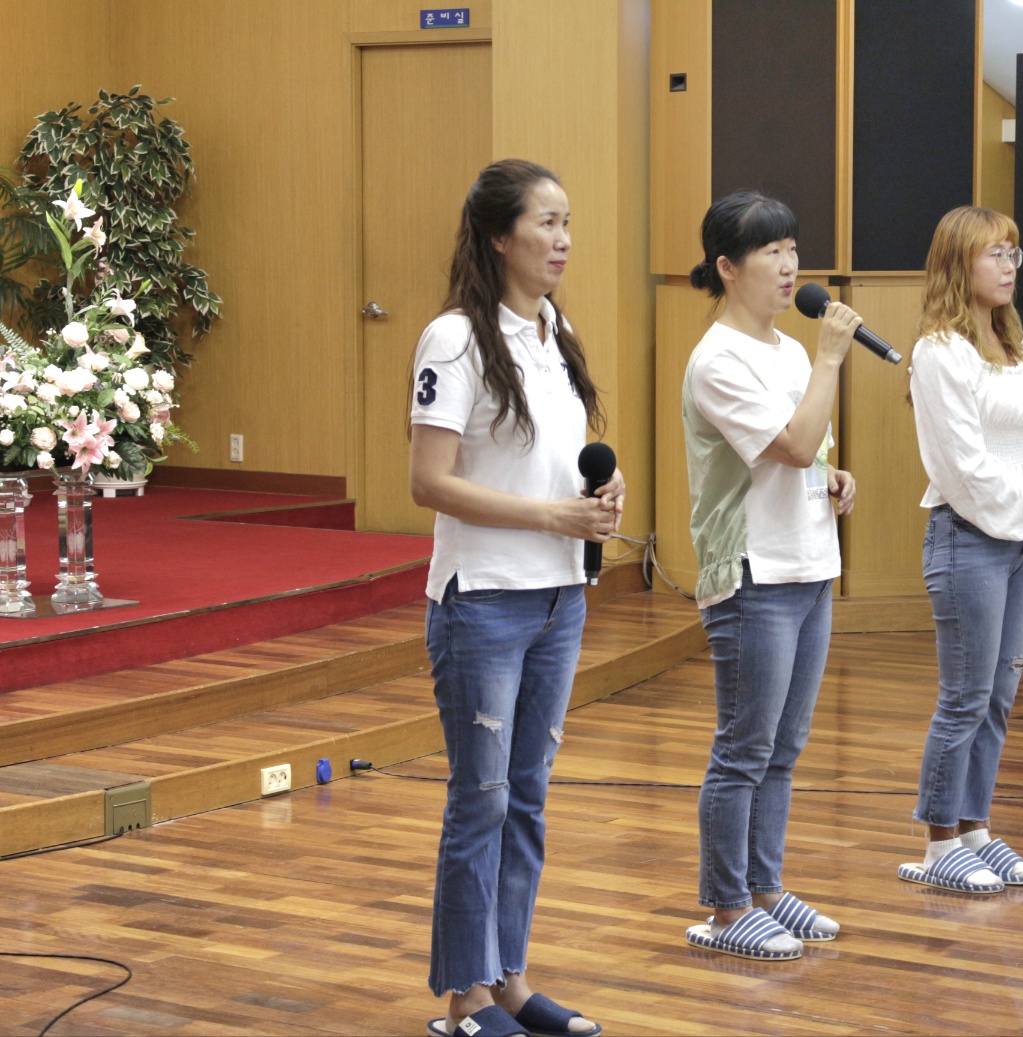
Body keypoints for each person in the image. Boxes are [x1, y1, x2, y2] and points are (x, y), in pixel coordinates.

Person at [409, 159, 620, 1037]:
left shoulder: (554, 329)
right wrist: (547, 514)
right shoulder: (454, 338)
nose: (563, 240)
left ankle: (510, 980)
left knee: (526, 795)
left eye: (567, 222)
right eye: (546, 222)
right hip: (484, 601)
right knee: (483, 797)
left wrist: (594, 499)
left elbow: (550, 464)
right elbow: (428, 481)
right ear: (500, 236)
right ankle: (464, 998)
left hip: (558, 596)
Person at [680, 191, 859, 960]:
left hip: (808, 562)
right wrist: (830, 360)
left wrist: (835, 476)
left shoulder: (787, 350)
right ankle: (726, 908)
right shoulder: (717, 359)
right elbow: (791, 444)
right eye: (770, 251)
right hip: (752, 571)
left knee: (783, 747)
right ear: (728, 267)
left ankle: (764, 889)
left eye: (791, 248)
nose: (789, 265)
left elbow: (807, 454)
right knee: (743, 747)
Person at [899, 206, 1023, 894]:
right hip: (968, 539)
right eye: (995, 255)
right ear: (959, 263)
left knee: (999, 696)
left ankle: (974, 828)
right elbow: (963, 467)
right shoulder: (937, 352)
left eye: (1013, 254)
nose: (1009, 267)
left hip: (1022, 541)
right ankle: (939, 840)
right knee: (965, 697)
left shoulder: (1017, 350)